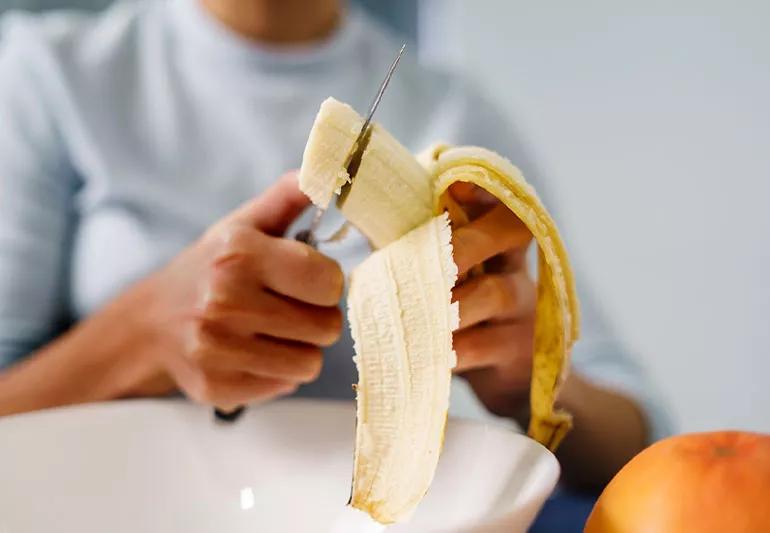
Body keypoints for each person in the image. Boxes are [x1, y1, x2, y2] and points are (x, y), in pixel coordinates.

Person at [0, 0, 670, 491]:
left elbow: (640, 447)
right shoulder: (46, 74)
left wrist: (528, 376)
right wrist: (143, 336)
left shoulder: (454, 110)